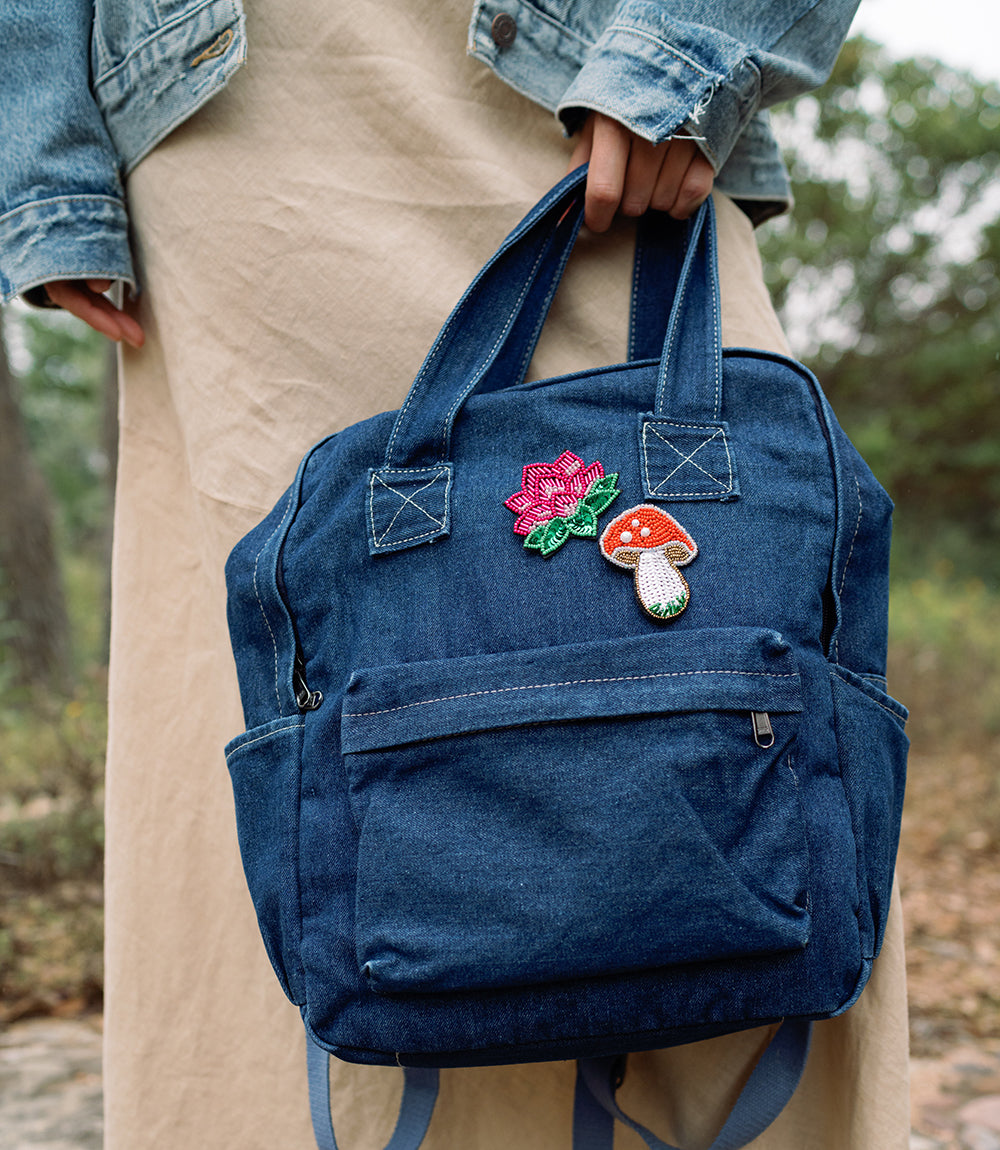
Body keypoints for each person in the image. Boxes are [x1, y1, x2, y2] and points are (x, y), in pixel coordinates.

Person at [0, 2, 910, 1147]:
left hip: (605, 72)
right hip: (236, 134)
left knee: (733, 587)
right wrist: (45, 168)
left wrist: (696, 44)